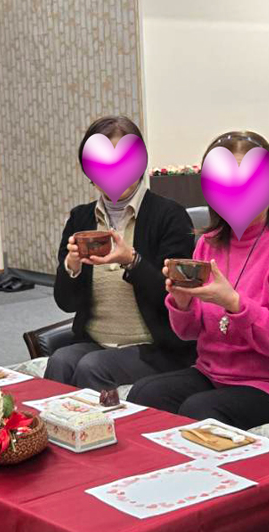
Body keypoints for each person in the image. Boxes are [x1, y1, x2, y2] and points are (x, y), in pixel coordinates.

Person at [129, 130, 269, 430]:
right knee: (144, 394)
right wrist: (182, 303)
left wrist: (234, 303)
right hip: (216, 374)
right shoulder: (209, 243)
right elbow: (188, 332)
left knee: (200, 410)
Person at [47, 115, 196, 390]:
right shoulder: (81, 219)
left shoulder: (169, 216)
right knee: (60, 360)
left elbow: (176, 296)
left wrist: (132, 261)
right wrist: (72, 267)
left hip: (154, 346)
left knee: (92, 367)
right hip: (95, 340)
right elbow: (66, 303)